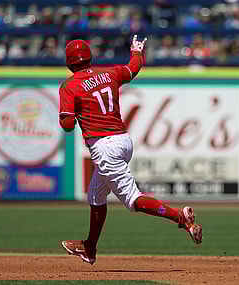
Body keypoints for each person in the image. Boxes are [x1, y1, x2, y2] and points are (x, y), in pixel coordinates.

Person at [59, 35, 203, 265]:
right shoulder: (109, 73)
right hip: (124, 141)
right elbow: (133, 68)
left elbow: (66, 126)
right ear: (89, 57)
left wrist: (75, 113)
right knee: (96, 195)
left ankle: (181, 217)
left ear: (69, 62)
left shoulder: (70, 86)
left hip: (104, 146)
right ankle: (89, 248)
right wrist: (136, 51)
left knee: (133, 200)